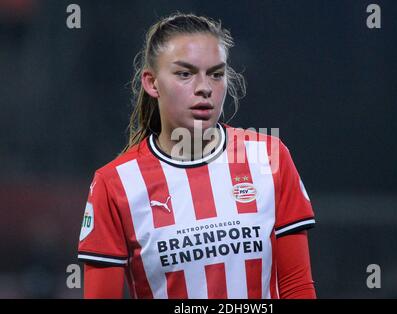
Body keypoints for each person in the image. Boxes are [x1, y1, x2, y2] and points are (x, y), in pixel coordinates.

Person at [77, 12, 317, 299]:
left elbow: (297, 287)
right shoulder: (114, 184)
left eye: (216, 74)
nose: (204, 88)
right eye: (185, 74)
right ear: (152, 83)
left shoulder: (269, 157)